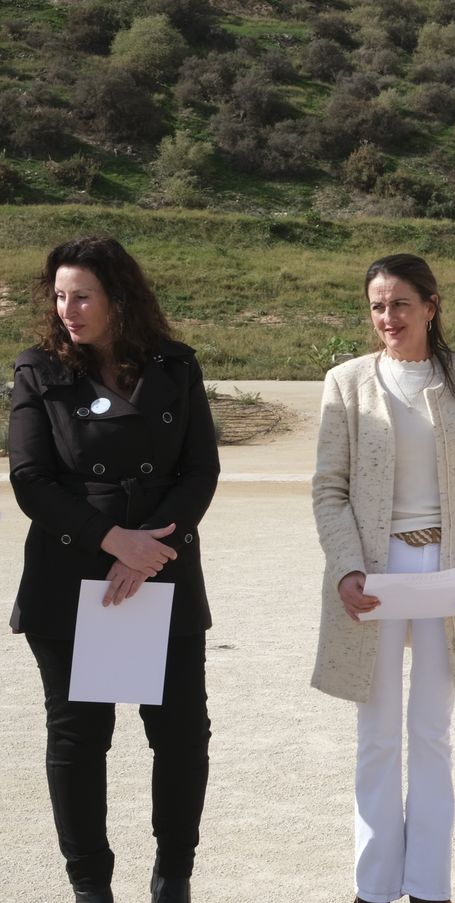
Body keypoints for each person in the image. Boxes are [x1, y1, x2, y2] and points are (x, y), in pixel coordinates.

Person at [9, 236, 219, 903]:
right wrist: (112, 541)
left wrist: (152, 549)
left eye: (84, 295)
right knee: (79, 734)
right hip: (72, 575)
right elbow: (31, 479)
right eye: (61, 295)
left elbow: (199, 470)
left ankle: (173, 874)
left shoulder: (176, 365)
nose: (69, 307)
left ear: (118, 297)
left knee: (181, 733)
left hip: (163, 567)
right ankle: (89, 886)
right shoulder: (38, 369)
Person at [311, 254, 455, 903]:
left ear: (431, 305)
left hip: (445, 575)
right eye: (377, 306)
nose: (387, 317)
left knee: (430, 731)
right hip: (372, 575)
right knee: (376, 735)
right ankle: (373, 887)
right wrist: (345, 565)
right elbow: (328, 490)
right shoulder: (345, 382)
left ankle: (429, 886)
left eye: (400, 303)